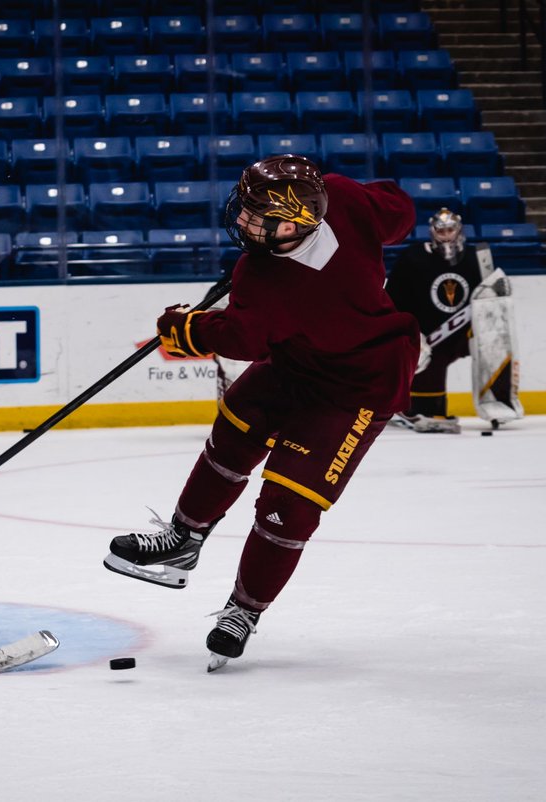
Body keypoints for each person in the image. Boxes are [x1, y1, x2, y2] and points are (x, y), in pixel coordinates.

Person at [103, 155, 418, 671]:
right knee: (235, 430)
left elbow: (243, 337)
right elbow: (399, 209)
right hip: (297, 361)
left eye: (255, 217)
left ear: (293, 223)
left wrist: (186, 329)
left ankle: (243, 612)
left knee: (288, 503)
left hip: (359, 386)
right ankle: (183, 539)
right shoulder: (341, 195)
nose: (242, 221)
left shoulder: (264, 277)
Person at [384, 208, 486, 434]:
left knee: (494, 346)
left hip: (464, 330)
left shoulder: (477, 256)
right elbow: (393, 296)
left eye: (450, 229)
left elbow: (489, 296)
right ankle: (418, 410)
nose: (446, 235)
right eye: (441, 230)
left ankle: (498, 400)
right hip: (425, 334)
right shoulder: (414, 256)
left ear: (459, 230)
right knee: (428, 360)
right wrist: (407, 329)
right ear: (432, 232)